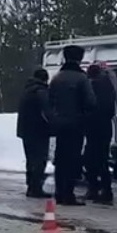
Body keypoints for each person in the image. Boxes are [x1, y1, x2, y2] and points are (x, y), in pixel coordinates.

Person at [45, 44, 96, 205]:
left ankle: (59, 192)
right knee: (73, 158)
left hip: (59, 124)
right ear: (79, 59)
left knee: (60, 158)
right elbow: (91, 102)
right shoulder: (82, 78)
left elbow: (49, 102)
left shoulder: (57, 78)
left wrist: (54, 118)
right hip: (76, 124)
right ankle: (68, 193)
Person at [84, 64, 117, 204]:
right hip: (105, 127)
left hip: (94, 126)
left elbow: (90, 105)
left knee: (90, 158)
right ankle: (105, 190)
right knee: (101, 159)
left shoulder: (94, 86)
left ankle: (95, 189)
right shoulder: (108, 86)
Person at [16, 68, 52, 199]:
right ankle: (36, 188)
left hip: (26, 131)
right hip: (39, 130)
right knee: (39, 160)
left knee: (31, 159)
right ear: (45, 79)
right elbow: (47, 112)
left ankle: (31, 185)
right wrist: (54, 124)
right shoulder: (41, 91)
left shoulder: (27, 90)